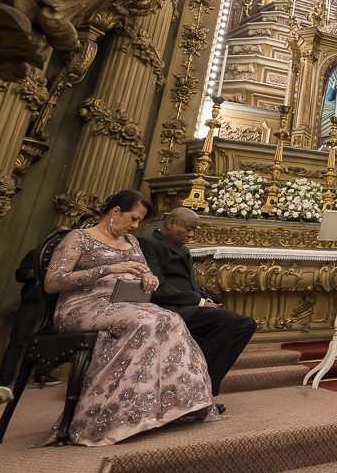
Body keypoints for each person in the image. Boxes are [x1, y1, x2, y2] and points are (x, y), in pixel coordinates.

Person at [44, 190, 220, 446]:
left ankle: (168, 407)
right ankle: (110, 413)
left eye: (140, 221)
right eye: (134, 218)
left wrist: (149, 279)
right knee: (145, 322)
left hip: (127, 305)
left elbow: (148, 275)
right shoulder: (79, 237)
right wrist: (108, 268)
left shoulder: (132, 242)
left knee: (171, 319)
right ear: (115, 211)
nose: (136, 226)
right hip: (82, 306)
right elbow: (53, 282)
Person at [139, 207, 257, 401]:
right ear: (170, 224)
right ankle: (198, 389)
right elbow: (158, 287)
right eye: (188, 229)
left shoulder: (183, 248)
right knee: (230, 320)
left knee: (246, 324)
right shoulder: (149, 243)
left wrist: (208, 299)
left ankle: (203, 386)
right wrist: (200, 302)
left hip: (190, 306)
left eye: (194, 230)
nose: (191, 234)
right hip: (169, 307)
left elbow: (192, 284)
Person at [0, 244, 60, 388]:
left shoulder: (69, 256)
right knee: (18, 339)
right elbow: (20, 274)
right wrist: (42, 268)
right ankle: (3, 380)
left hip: (54, 302)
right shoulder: (36, 254)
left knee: (49, 341)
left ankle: (42, 375)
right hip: (33, 301)